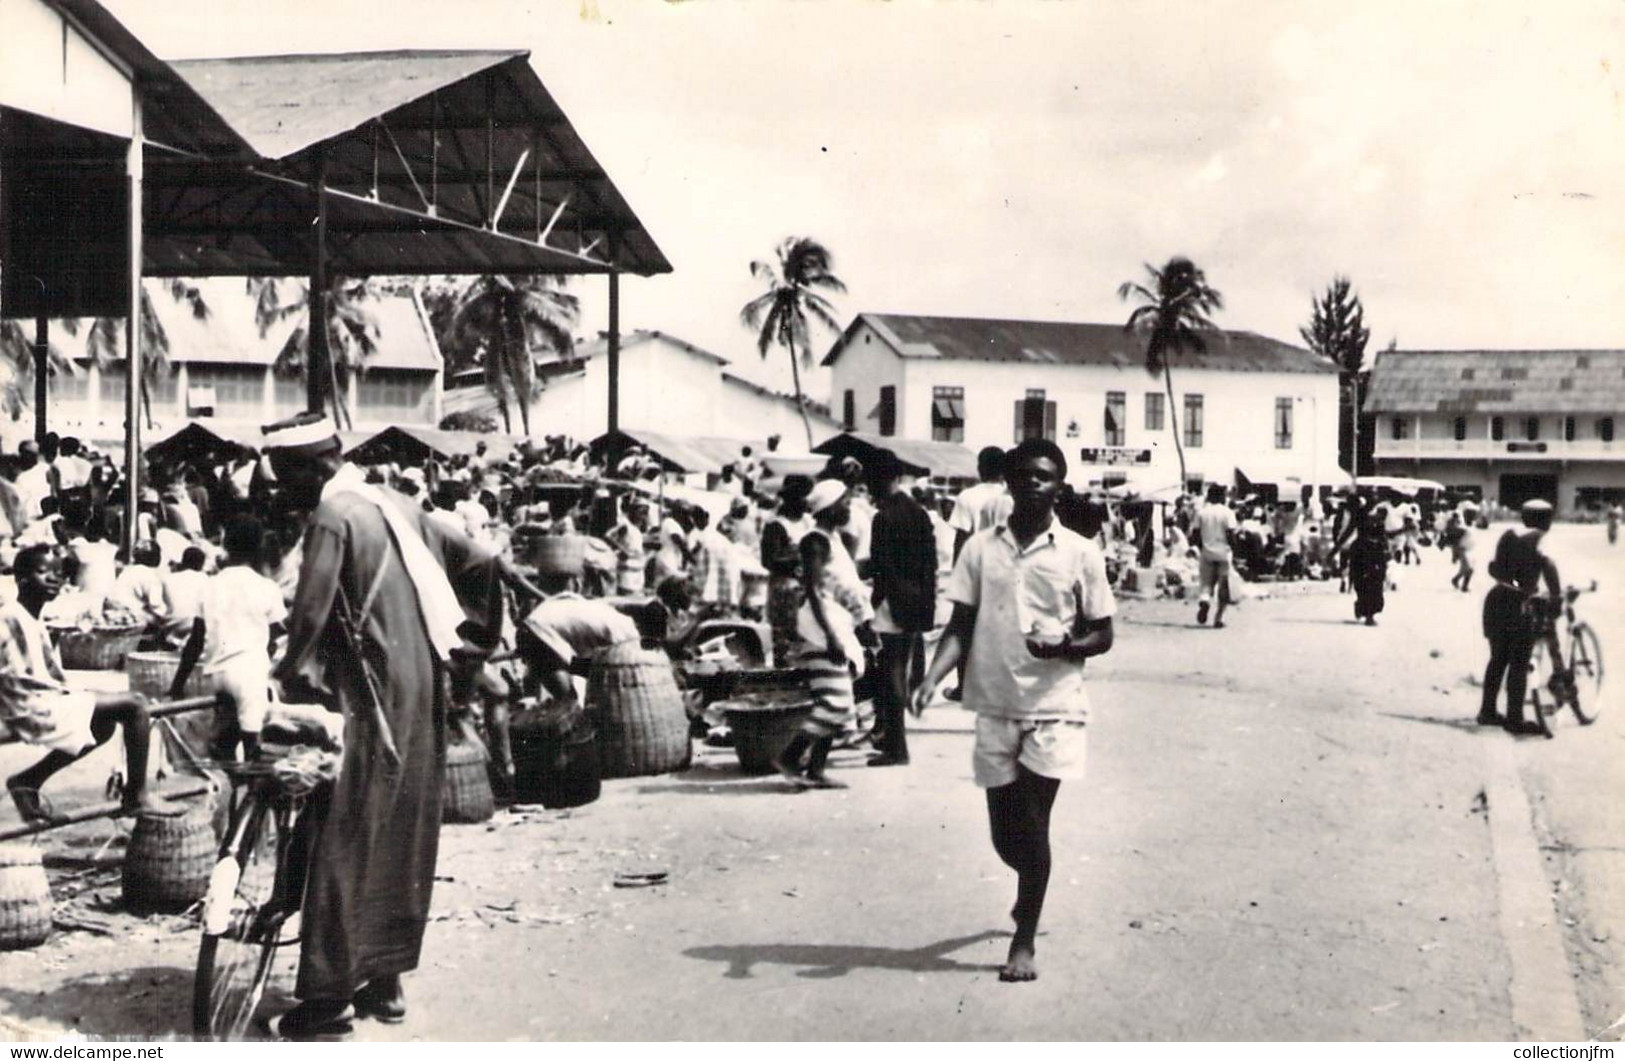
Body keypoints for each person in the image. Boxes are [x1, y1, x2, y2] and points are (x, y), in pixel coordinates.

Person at [266, 414, 495, 1038]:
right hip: (422, 687)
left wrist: (285, 679)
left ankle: (327, 999)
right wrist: (474, 647)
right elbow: (480, 561)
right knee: (401, 829)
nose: (282, 491)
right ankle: (385, 981)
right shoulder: (395, 503)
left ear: (312, 467)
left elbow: (309, 613)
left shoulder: (334, 515)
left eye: (284, 478)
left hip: (368, 692)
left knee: (343, 833)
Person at [911, 439, 1116, 983]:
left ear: (1059, 486)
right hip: (993, 703)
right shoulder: (979, 549)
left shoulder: (1080, 553)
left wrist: (1065, 648)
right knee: (1006, 837)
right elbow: (960, 624)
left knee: (1033, 824)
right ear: (1008, 482)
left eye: (1044, 476)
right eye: (1023, 475)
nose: (1032, 483)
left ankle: (1023, 940)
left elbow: (1102, 634)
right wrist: (931, 677)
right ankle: (1029, 895)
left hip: (1055, 707)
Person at [3, 545, 182, 823]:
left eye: (58, 573)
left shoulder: (32, 615)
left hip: (43, 698)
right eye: (42, 572)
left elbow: (47, 673)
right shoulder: (9, 616)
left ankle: (28, 781)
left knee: (103, 725)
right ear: (21, 578)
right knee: (135, 705)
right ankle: (136, 795)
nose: (53, 579)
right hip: (28, 705)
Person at [170, 517, 287, 761]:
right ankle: (252, 791)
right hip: (249, 673)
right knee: (254, 746)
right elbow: (275, 638)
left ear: (226, 545)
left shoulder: (210, 585)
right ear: (258, 548)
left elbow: (195, 641)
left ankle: (230, 784)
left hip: (218, 674)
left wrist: (177, 685)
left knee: (225, 742)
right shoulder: (266, 587)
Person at [773, 532, 870, 790]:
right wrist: (832, 637)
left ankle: (816, 770)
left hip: (825, 637)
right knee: (834, 706)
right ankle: (790, 756)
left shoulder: (820, 579)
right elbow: (817, 601)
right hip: (821, 639)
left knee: (841, 708)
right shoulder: (813, 583)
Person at [865, 452, 936, 767]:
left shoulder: (883, 517)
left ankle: (897, 747)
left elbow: (880, 568)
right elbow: (929, 565)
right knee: (899, 671)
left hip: (891, 603)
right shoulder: (919, 513)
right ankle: (894, 743)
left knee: (891, 674)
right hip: (916, 601)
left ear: (884, 479)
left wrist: (873, 604)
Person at [1479, 499, 1562, 736]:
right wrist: (1556, 596)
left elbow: (1496, 567)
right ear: (1547, 520)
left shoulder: (1508, 534)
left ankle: (1487, 711)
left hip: (1496, 599)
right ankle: (1514, 718)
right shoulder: (1539, 537)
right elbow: (1548, 564)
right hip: (1520, 605)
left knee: (1498, 659)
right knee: (1519, 662)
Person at [760, 476, 815, 657]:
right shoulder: (777, 525)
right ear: (792, 499)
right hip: (785, 588)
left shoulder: (809, 522)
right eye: (802, 497)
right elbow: (769, 560)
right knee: (785, 639)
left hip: (807, 586)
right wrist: (798, 560)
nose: (806, 501)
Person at [1193, 484, 1238, 628]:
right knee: (1223, 587)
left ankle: (1205, 601)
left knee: (1206, 583)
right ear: (1221, 496)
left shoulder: (1201, 513)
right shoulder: (1227, 512)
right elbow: (1231, 534)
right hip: (1224, 553)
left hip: (1206, 553)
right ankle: (1218, 618)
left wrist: (1202, 548)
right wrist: (1234, 550)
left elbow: (1195, 535)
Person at [1347, 511, 1389, 626]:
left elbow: (1383, 539)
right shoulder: (1359, 517)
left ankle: (1369, 614)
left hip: (1376, 553)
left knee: (1376, 587)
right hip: (1361, 553)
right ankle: (1366, 613)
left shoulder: (1379, 522)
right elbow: (1349, 533)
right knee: (1362, 587)